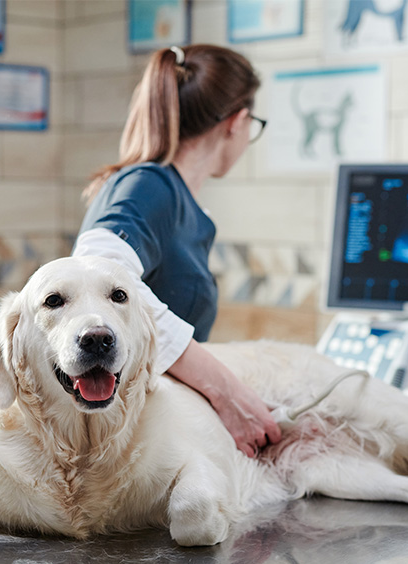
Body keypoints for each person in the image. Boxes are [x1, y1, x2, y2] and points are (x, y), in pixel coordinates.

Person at [72, 44, 280, 457]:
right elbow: (95, 270)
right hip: (130, 447)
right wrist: (226, 391)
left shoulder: (175, 199)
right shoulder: (150, 186)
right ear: (237, 122)